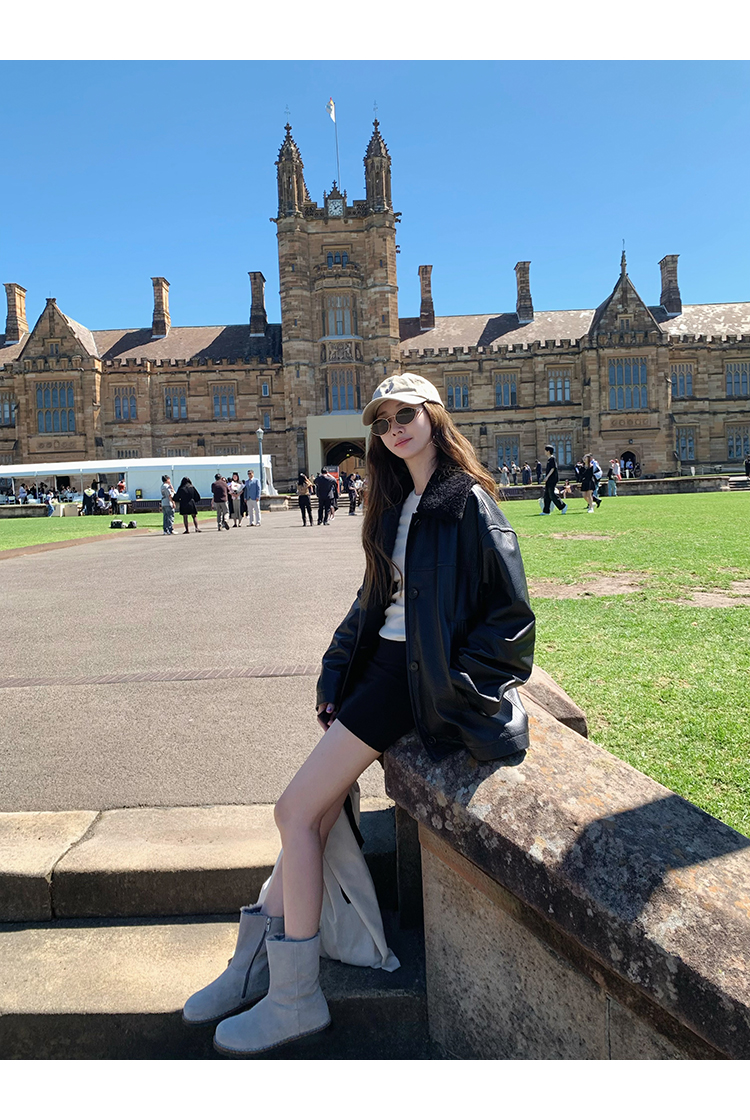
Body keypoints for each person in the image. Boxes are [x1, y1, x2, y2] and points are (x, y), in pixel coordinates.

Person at [184, 372, 535, 1057]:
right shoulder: (395, 498)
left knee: (293, 812)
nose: (395, 428)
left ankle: (295, 998)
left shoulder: (467, 501)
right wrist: (335, 668)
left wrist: (458, 684)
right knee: (312, 818)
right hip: (379, 672)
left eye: (406, 414)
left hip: (409, 682)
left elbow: (511, 617)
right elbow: (372, 598)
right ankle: (250, 968)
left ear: (434, 416)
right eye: (384, 421)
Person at [540, 445, 567, 515]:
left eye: (545, 450)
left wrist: (547, 477)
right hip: (549, 479)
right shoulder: (549, 460)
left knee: (551, 494)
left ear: (548, 451)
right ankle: (546, 511)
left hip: (552, 479)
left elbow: (553, 468)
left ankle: (563, 506)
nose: (544, 452)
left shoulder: (552, 459)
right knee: (547, 495)